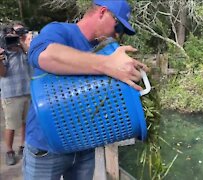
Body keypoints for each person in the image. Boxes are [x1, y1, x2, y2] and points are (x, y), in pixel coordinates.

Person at [24, 0, 148, 179]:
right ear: (102, 12)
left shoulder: (106, 51)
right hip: (46, 147)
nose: (117, 35)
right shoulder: (60, 31)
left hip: (84, 146)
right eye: (118, 27)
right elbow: (44, 56)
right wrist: (106, 65)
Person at [0, 22, 32, 166]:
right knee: (11, 125)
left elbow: (32, 57)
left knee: (27, 122)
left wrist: (20, 41)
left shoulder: (23, 50)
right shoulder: (3, 53)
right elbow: (3, 74)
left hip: (27, 92)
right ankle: (9, 151)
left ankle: (23, 146)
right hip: (11, 94)